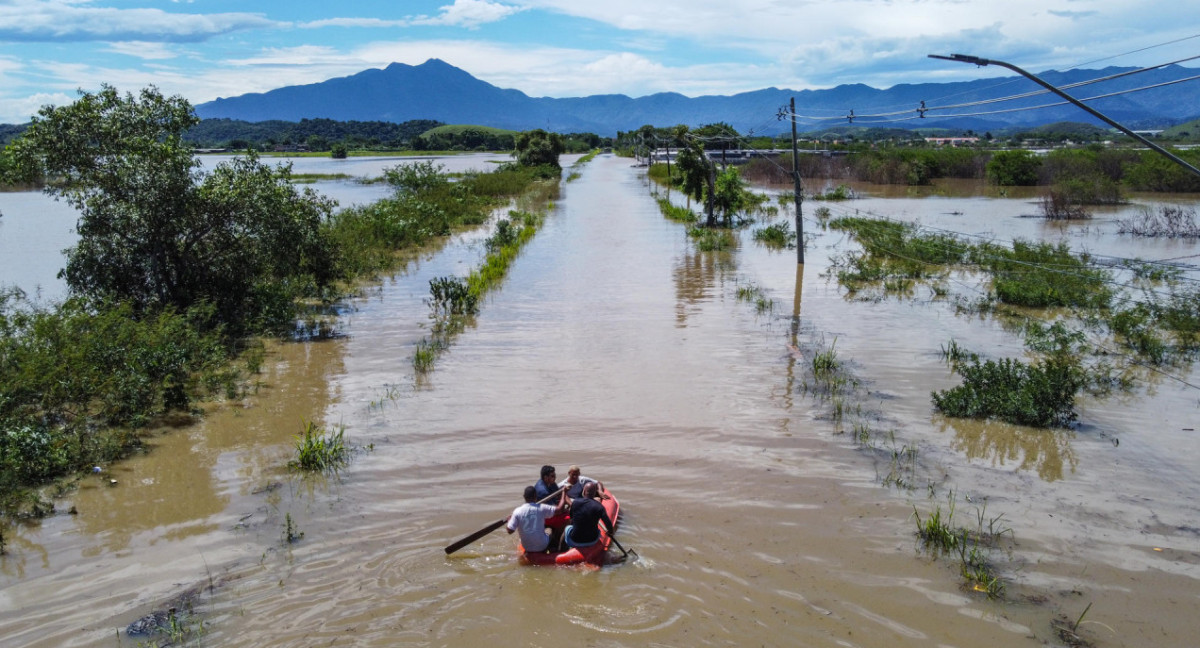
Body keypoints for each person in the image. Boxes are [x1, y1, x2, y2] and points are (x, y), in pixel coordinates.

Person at [507, 485, 567, 553]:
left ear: (524, 497)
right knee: (549, 529)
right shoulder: (541, 508)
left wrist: (509, 520)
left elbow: (510, 531)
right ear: (536, 496)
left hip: (526, 547)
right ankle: (554, 548)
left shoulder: (517, 511)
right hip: (542, 546)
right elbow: (560, 509)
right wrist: (564, 492)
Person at [563, 482, 614, 549]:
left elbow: (572, 517)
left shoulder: (575, 502)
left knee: (567, 528)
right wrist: (610, 532)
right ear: (594, 493)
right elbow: (608, 524)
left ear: (583, 492)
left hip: (575, 540)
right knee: (597, 530)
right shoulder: (599, 507)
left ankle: (560, 549)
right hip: (592, 540)